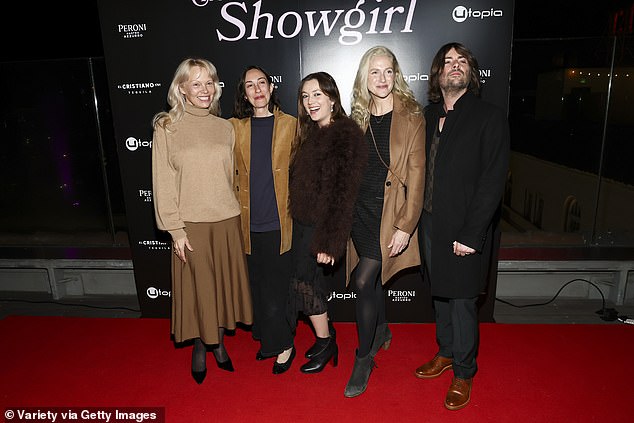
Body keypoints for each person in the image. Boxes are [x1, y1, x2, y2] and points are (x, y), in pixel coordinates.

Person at [414, 42, 510, 410]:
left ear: (471, 73)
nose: (455, 66)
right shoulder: (426, 115)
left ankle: (464, 371)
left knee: (463, 301)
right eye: (448, 61)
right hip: (429, 222)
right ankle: (447, 353)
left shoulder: (488, 116)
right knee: (441, 294)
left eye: (462, 61)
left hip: (465, 227)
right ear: (438, 74)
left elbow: (492, 180)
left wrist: (472, 234)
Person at [151, 58, 253, 384]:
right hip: (190, 226)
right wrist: (175, 230)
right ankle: (201, 345)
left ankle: (219, 344)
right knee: (200, 291)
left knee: (222, 289)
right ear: (181, 88)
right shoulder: (167, 127)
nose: (205, 90)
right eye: (197, 83)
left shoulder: (226, 128)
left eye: (210, 82)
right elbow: (162, 182)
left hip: (227, 221)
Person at [345, 45, 426, 398]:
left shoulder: (412, 116)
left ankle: (363, 357)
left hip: (389, 215)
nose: (381, 78)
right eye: (374, 72)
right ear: (365, 77)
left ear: (397, 75)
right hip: (359, 214)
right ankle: (381, 329)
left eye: (388, 71)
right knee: (372, 278)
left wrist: (405, 226)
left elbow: (418, 174)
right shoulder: (356, 117)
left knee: (363, 280)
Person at [288, 71, 367, 374]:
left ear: (332, 98)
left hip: (321, 229)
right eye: (306, 96)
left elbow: (343, 195)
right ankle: (326, 337)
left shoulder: (345, 135)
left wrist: (330, 241)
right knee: (307, 283)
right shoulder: (312, 133)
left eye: (317, 94)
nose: (310, 102)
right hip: (304, 224)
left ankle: (326, 342)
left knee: (304, 283)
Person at [229, 65, 297, 374]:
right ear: (244, 93)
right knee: (256, 289)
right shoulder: (235, 128)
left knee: (275, 292)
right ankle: (269, 341)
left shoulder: (292, 126)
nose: (257, 89)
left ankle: (284, 344)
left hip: (279, 225)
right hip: (246, 227)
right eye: (249, 85)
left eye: (262, 83)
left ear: (271, 88)